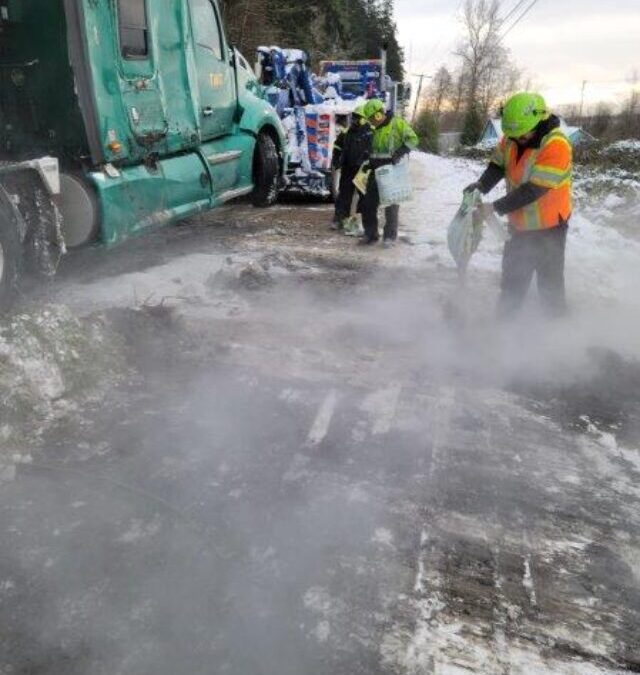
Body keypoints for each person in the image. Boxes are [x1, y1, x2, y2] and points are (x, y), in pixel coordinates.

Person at [465, 92, 572, 317]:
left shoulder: (556, 145)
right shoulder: (512, 137)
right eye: (513, 135)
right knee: (513, 278)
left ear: (539, 121)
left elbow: (534, 189)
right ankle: (505, 326)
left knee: (549, 282)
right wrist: (481, 185)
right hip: (519, 225)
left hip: (549, 227)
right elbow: (497, 166)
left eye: (522, 135)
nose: (517, 139)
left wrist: (494, 207)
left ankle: (557, 332)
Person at [359, 99, 418, 245]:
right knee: (368, 204)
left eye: (372, 118)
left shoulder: (397, 124)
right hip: (376, 169)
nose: (371, 122)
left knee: (391, 205)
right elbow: (371, 150)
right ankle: (370, 234)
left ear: (379, 114)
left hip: (392, 169)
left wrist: (399, 153)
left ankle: (389, 237)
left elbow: (413, 139)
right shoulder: (373, 128)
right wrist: (367, 160)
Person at [331, 107, 371, 232]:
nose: (354, 119)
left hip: (363, 170)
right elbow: (337, 146)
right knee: (344, 195)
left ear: (364, 118)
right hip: (347, 168)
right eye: (354, 116)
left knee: (364, 197)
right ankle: (340, 220)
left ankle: (361, 223)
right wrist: (336, 160)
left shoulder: (370, 132)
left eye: (358, 117)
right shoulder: (346, 131)